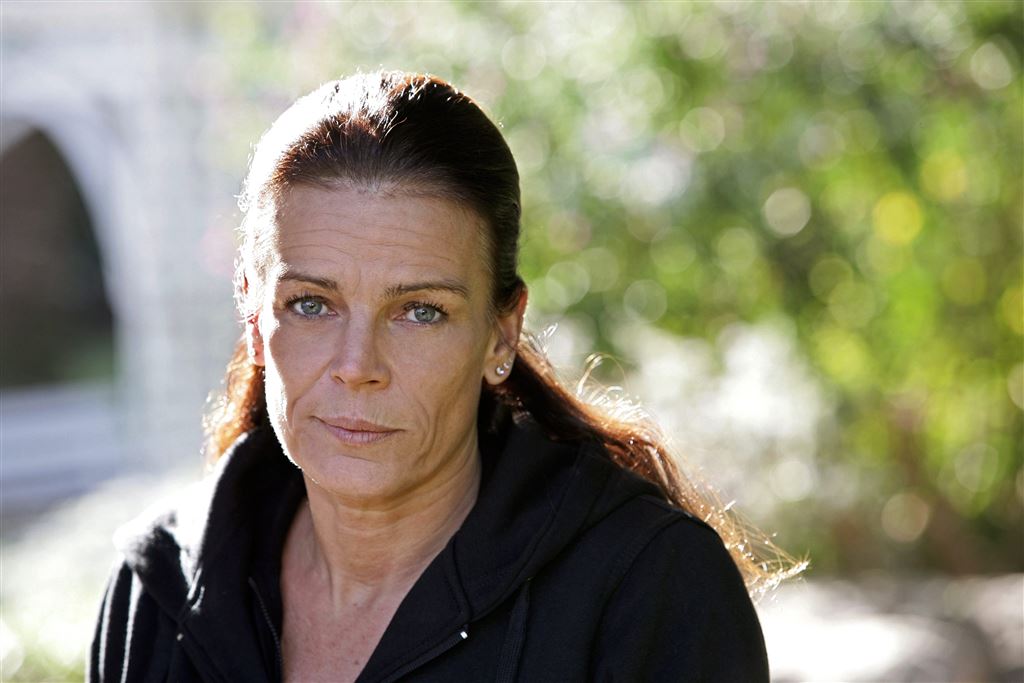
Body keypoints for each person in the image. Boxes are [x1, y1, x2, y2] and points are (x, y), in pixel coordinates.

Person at [89, 71, 797, 682]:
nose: (357, 367)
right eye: (311, 304)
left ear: (500, 333)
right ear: (253, 315)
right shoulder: (156, 591)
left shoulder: (648, 590)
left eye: (419, 311)